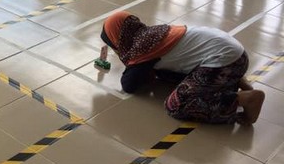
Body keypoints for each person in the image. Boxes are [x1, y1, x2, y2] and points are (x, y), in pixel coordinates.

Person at [101, 11, 265, 125]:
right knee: (165, 73)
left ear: (118, 39)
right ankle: (239, 82)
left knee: (176, 105)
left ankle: (245, 99)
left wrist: (128, 62)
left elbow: (129, 85)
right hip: (236, 56)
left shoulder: (140, 51)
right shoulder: (150, 34)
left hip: (224, 63)